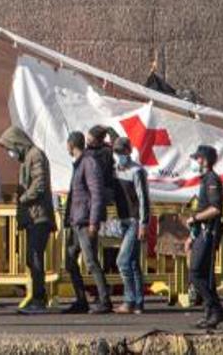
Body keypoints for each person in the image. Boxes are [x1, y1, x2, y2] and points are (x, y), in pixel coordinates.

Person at [0, 125, 55, 315]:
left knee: (35, 257)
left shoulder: (35, 155)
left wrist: (22, 199)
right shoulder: (26, 159)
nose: (9, 153)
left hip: (39, 216)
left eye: (9, 148)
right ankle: (37, 297)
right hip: (32, 217)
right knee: (32, 259)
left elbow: (39, 184)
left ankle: (39, 299)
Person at [62, 130, 112, 314]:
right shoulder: (79, 164)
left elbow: (96, 194)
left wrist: (93, 222)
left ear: (71, 144)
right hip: (76, 220)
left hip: (85, 221)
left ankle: (105, 300)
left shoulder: (88, 163)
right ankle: (81, 300)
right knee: (70, 260)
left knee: (91, 261)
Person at [186, 145, 223, 329]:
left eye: (198, 158)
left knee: (196, 273)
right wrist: (191, 236)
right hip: (202, 231)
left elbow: (215, 208)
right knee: (205, 276)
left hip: (210, 232)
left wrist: (194, 218)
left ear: (205, 160)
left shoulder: (211, 180)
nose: (196, 162)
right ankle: (210, 313)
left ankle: (216, 309)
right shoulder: (205, 180)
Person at [113, 137, 149, 314]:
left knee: (123, 261)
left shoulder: (137, 171)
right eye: (117, 152)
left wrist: (144, 223)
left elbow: (144, 199)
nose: (120, 155)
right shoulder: (115, 171)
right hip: (123, 220)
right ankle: (139, 302)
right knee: (133, 263)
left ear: (129, 151)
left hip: (134, 220)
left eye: (122, 152)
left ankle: (129, 299)